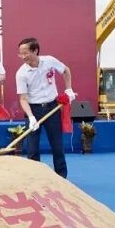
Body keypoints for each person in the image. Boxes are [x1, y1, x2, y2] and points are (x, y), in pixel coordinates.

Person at [16, 37, 75, 178]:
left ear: (35, 51)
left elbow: (65, 70)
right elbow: (23, 99)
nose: (23, 56)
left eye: (25, 53)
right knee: (32, 148)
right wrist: (30, 117)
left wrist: (69, 89)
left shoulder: (49, 61)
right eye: (20, 53)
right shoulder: (21, 73)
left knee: (57, 145)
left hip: (52, 107)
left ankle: (61, 177)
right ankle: (35, 178)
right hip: (33, 110)